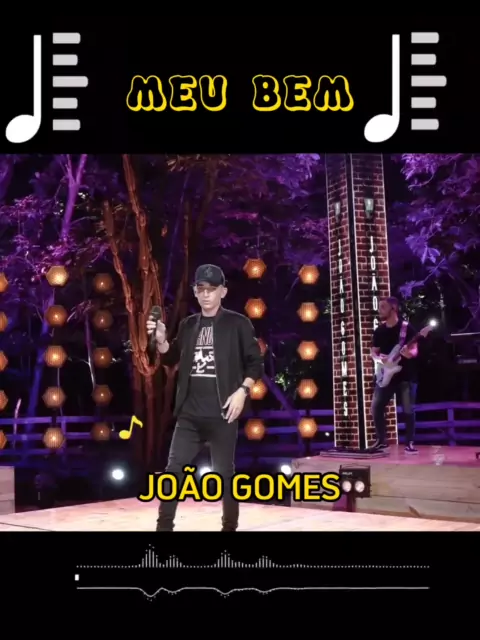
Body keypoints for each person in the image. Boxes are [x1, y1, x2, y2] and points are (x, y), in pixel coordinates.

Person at [146, 264, 264, 531]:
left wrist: (242, 391)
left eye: (212, 289)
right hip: (189, 414)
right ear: (195, 292)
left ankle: (229, 528)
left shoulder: (238, 323)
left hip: (223, 413)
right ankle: (163, 528)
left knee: (225, 475)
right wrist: (162, 340)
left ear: (223, 291)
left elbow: (255, 363)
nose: (206, 294)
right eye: (201, 289)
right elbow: (170, 357)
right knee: (173, 470)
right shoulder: (188, 325)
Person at [370, 296, 419, 454]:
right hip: (386, 374)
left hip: (405, 375)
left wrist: (409, 354)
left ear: (393, 308)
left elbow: (414, 350)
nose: (379, 310)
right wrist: (380, 359)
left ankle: (409, 442)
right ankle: (381, 441)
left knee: (408, 410)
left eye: (383, 307)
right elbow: (373, 352)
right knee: (376, 407)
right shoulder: (379, 331)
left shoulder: (406, 328)